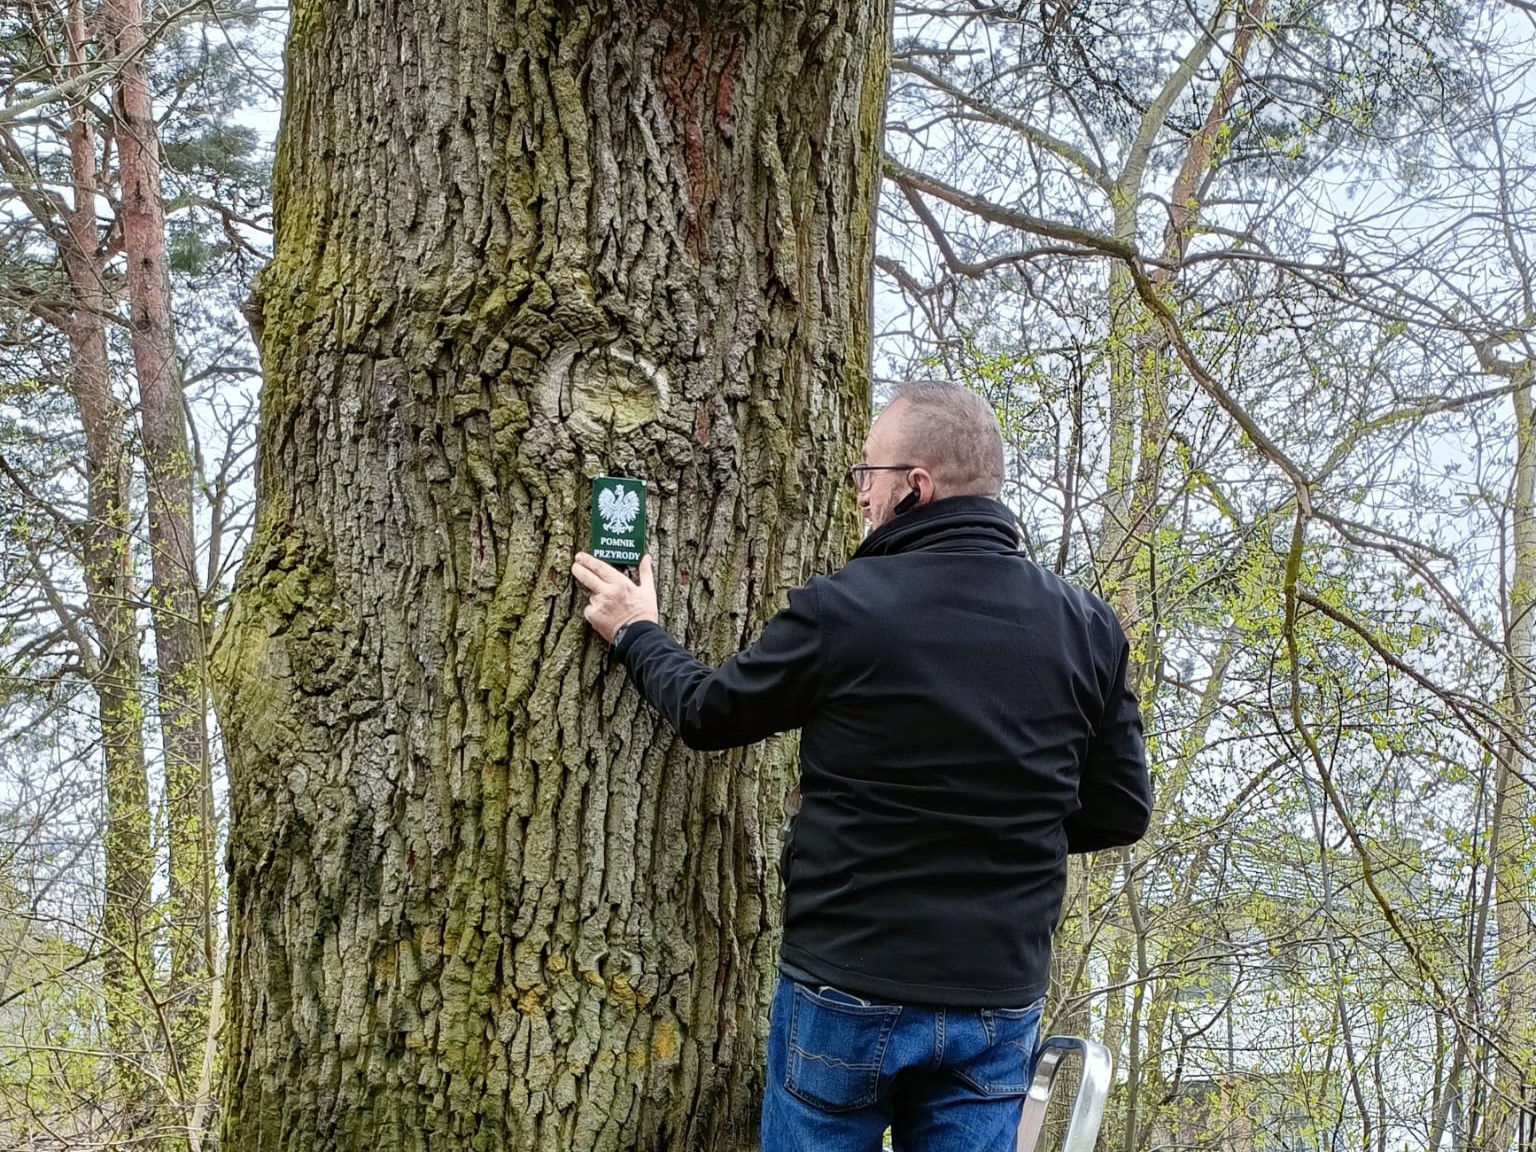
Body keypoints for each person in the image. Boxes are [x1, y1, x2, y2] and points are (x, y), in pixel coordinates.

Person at [571, 380, 1150, 1152]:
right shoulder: (1088, 626)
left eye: (866, 476)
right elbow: (1119, 809)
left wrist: (639, 632)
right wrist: (1001, 820)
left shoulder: (846, 606)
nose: (859, 496)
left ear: (917, 487)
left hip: (847, 987)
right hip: (995, 1000)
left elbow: (711, 714)